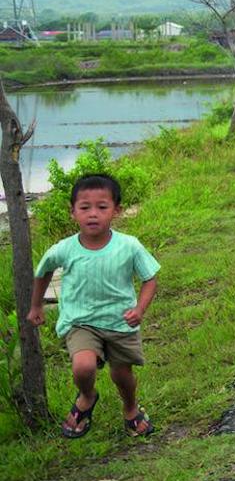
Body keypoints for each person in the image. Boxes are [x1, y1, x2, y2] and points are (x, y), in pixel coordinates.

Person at [28, 174, 160, 438]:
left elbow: (150, 278)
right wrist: (36, 307)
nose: (93, 214)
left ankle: (131, 408)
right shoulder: (64, 249)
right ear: (73, 212)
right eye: (84, 207)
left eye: (102, 207)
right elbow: (42, 273)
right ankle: (87, 396)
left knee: (122, 375)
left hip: (120, 321)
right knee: (83, 367)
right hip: (81, 321)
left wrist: (140, 310)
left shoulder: (129, 246)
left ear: (116, 211)